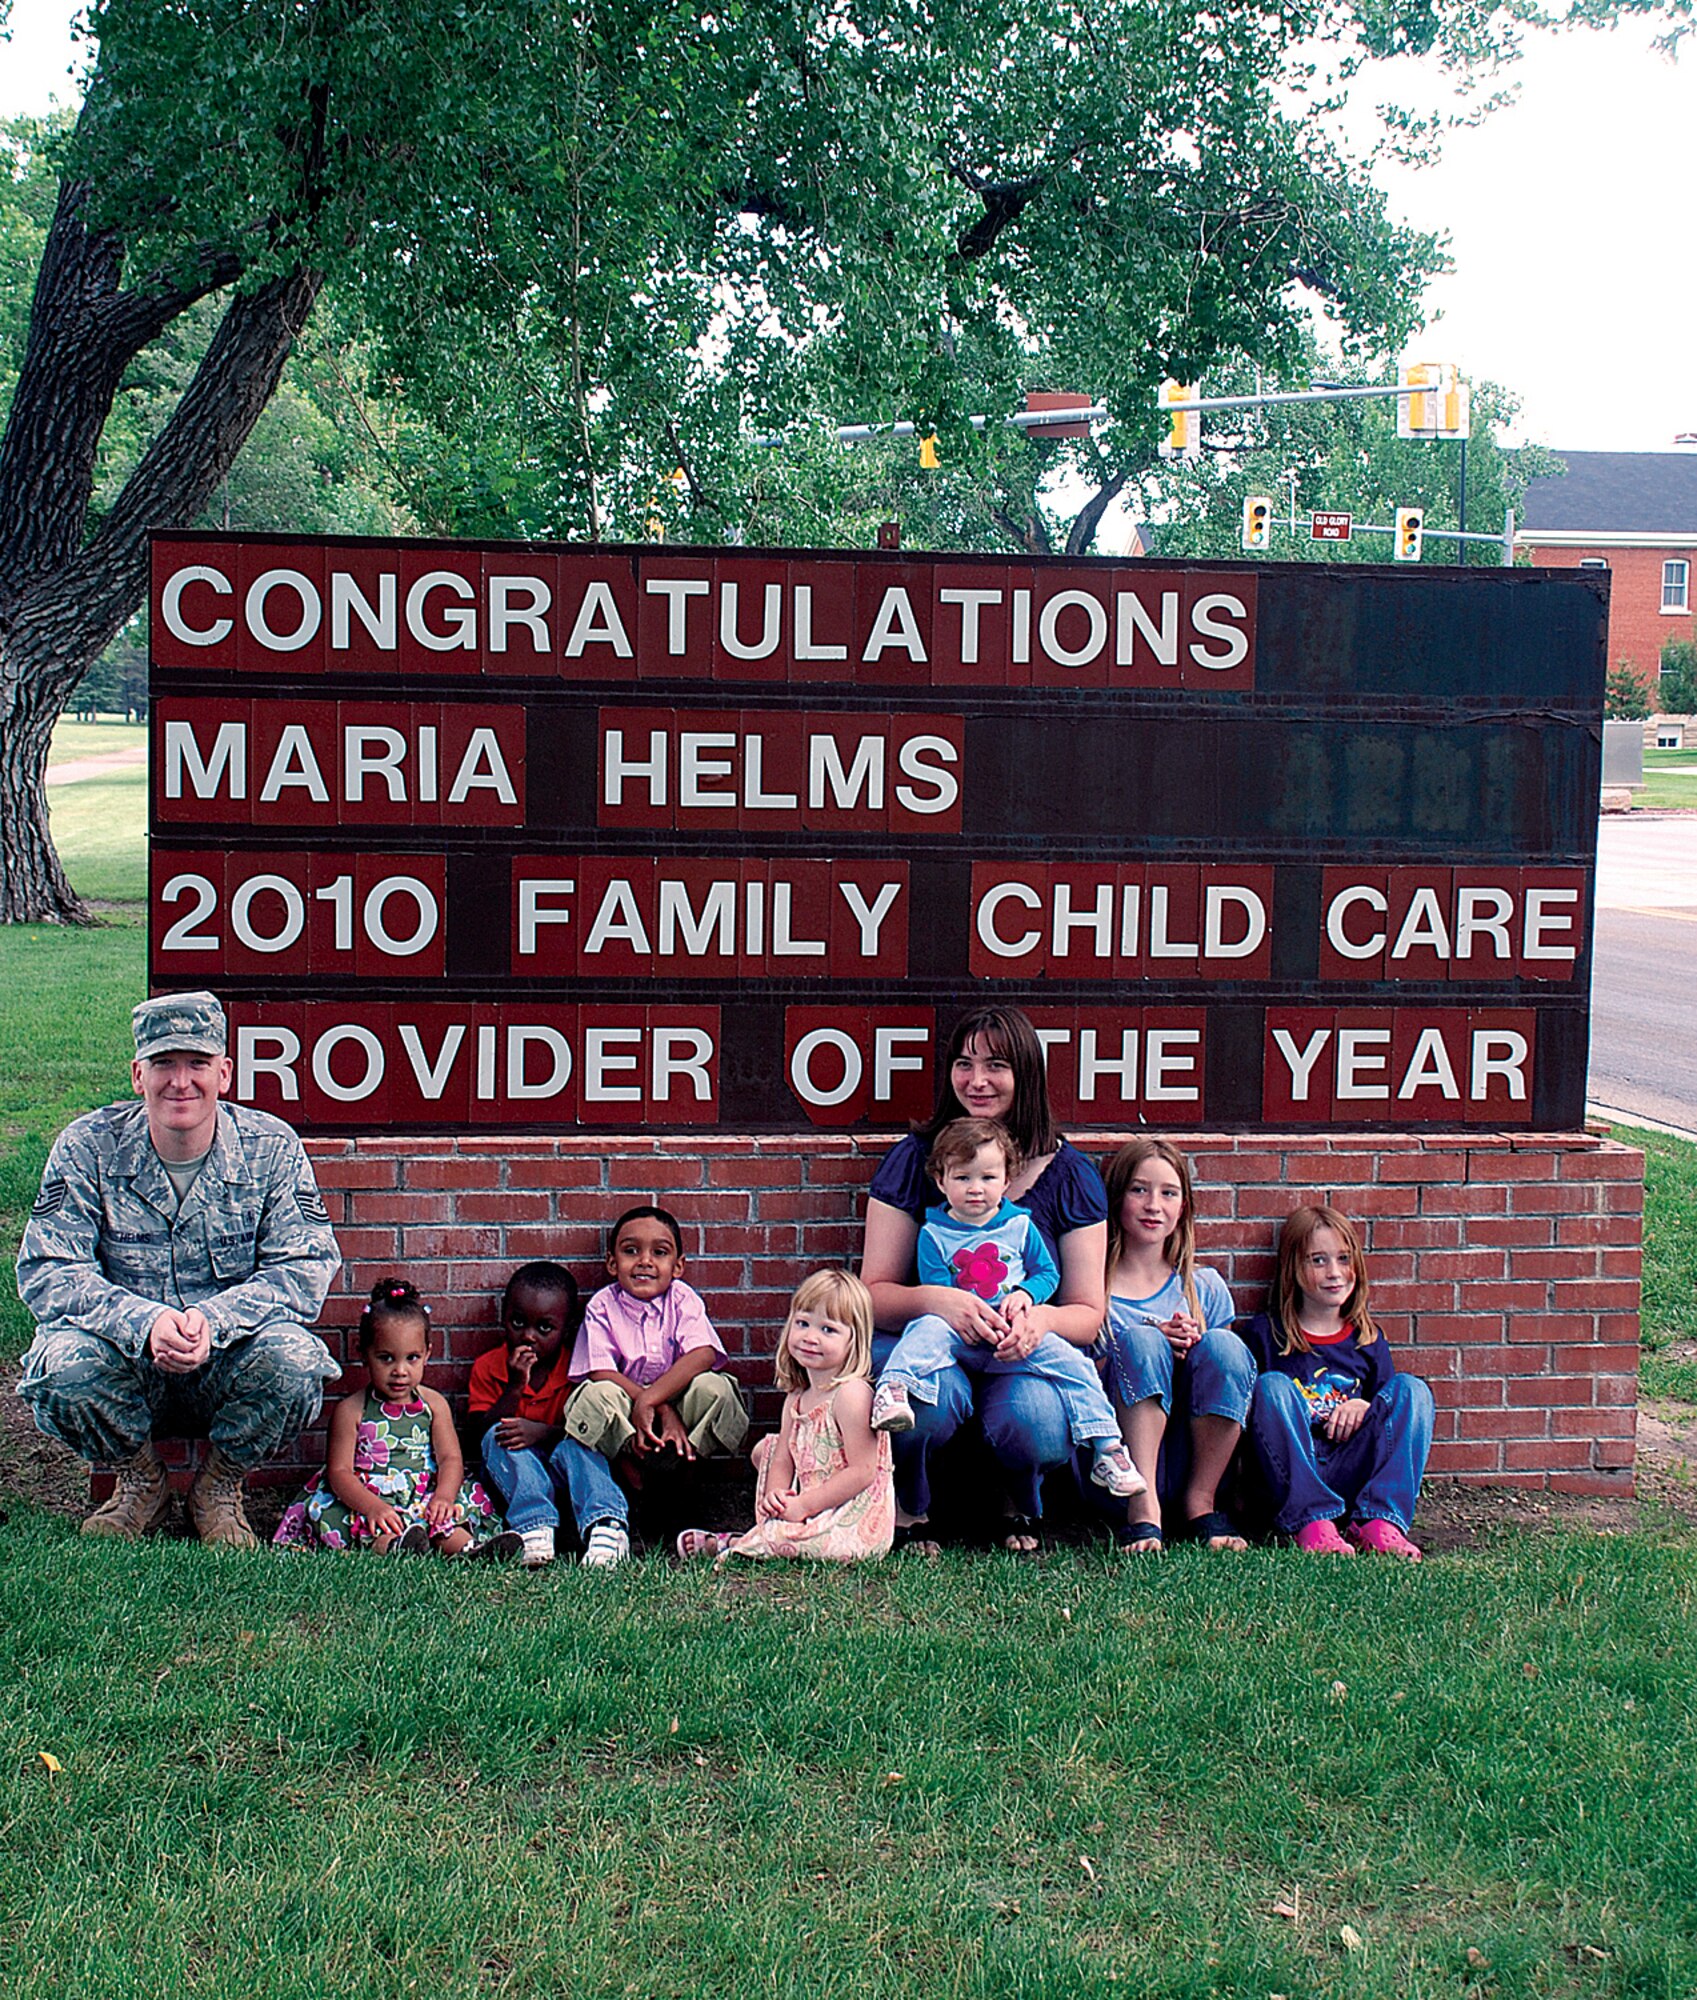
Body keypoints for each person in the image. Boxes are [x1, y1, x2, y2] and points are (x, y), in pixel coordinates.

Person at [16, 989, 341, 1547]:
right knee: (58, 1367)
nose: (181, 1081)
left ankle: (217, 1488)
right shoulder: (88, 1147)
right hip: (127, 1360)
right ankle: (141, 1480)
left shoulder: (270, 1149)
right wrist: (144, 1323)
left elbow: (305, 1264)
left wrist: (212, 1321)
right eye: (164, 1063)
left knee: (297, 1363)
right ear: (138, 1075)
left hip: (226, 1358)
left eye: (197, 1063)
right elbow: (48, 1268)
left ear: (226, 1072)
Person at [859, 1005, 1111, 1554]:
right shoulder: (916, 1161)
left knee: (1037, 1418)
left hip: (1021, 1354)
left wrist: (1039, 1318)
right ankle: (910, 1509)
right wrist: (937, 1302)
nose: (976, 1080)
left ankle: (1017, 1503)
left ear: (1026, 1073)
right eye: (964, 1063)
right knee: (923, 1403)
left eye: (996, 1064)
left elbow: (1089, 1314)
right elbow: (871, 1297)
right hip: (934, 1347)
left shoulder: (1071, 1176)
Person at [869, 1118, 1142, 1502]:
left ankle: (1107, 1447)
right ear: (941, 1181)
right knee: (924, 1330)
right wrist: (955, 1307)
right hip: (959, 1334)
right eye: (962, 1178)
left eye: (987, 1177)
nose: (976, 1188)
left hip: (1013, 1335)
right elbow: (935, 1288)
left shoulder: (1020, 1226)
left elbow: (1047, 1273)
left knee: (1073, 1365)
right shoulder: (934, 1233)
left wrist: (1029, 1297)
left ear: (1007, 1180)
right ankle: (895, 1388)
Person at [274, 1277, 517, 1557]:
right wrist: (372, 1506)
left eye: (411, 1358)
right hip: (370, 1496)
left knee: (441, 1518)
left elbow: (450, 1458)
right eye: (386, 1358)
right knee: (370, 1525)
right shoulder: (352, 1410)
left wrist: (444, 1496)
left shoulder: (434, 1404)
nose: (400, 1370)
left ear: (427, 1354)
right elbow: (339, 1471)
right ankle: (396, 1548)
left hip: (423, 1491)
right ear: (364, 1355)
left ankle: (471, 1550)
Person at [1242, 1205, 1433, 1558]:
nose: (1334, 1273)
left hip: (1349, 1471)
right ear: (1292, 1268)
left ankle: (1380, 1522)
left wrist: (1364, 1405)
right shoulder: (1263, 1335)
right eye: (1318, 1261)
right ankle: (1310, 1523)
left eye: (1344, 1259)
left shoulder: (1367, 1340)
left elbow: (1389, 1418)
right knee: (1271, 1388)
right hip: (1291, 1477)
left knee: (1413, 1391)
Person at [1098, 1139, 1257, 1553]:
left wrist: (1193, 1353)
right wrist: (1145, 1349)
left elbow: (1231, 1382)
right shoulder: (1094, 1290)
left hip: (1188, 1452)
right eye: (1139, 1190)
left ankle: (1201, 1503)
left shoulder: (1204, 1287)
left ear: (1183, 1206)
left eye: (1168, 1193)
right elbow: (1076, 1384)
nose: (1154, 1205)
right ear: (1117, 1199)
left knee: (1223, 1345)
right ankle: (1144, 1510)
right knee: (1141, 1341)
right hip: (1115, 1469)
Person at [676, 1269, 894, 1563]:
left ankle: (739, 1543)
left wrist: (804, 1505)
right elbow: (782, 1458)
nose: (810, 1337)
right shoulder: (798, 1395)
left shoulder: (851, 1394)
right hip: (810, 1495)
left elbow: (862, 1472)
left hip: (850, 1511)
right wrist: (776, 1499)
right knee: (764, 1452)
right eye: (802, 1323)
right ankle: (770, 1532)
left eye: (828, 1329)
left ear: (853, 1340)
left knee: (786, 1540)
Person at [562, 1204, 749, 1494]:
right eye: (631, 1251)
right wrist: (654, 1405)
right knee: (593, 1395)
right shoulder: (602, 1305)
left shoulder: (683, 1298)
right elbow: (600, 1372)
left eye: (659, 1252)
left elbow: (703, 1354)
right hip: (627, 1403)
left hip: (681, 1399)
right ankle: (630, 1464)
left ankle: (686, 1461)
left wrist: (658, 1402)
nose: (645, 1261)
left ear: (678, 1266)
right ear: (612, 1263)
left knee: (716, 1388)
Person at [470, 1260, 634, 1569]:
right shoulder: (488, 1366)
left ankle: (606, 1525)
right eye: (517, 1323)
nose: (528, 1336)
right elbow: (477, 1436)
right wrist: (515, 1387)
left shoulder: (578, 1370)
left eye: (544, 1328)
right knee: (498, 1434)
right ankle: (533, 1527)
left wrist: (542, 1432)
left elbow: (584, 1434)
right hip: (513, 1482)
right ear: (503, 1317)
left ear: (568, 1328)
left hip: (565, 1481)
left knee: (581, 1444)